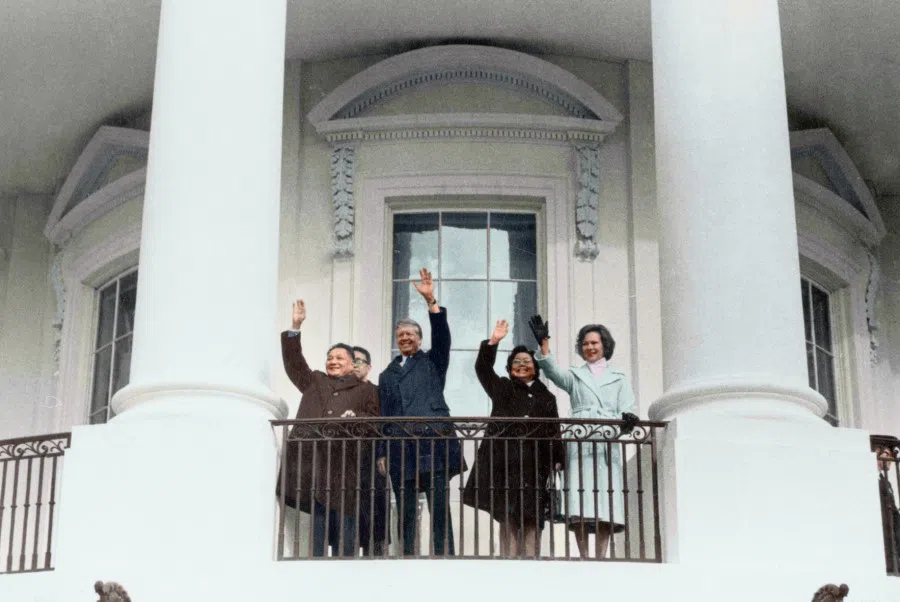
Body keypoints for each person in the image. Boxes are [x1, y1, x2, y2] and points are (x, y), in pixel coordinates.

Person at [528, 316, 639, 559]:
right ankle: (584, 556)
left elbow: (629, 409)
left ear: (604, 345)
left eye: (595, 343)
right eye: (586, 343)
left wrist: (627, 421)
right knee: (579, 502)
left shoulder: (619, 378)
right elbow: (554, 373)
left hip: (606, 445)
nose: (590, 347)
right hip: (580, 444)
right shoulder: (576, 376)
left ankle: (600, 556)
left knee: (604, 503)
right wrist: (544, 343)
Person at [278, 299, 379, 557]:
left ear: (351, 364)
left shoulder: (366, 389)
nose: (332, 361)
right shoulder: (315, 380)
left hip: (346, 464)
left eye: (339, 357)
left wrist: (355, 417)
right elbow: (294, 362)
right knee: (319, 519)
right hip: (314, 461)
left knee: (346, 521)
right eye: (329, 357)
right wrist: (295, 327)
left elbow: (374, 419)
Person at [376, 267, 463, 556]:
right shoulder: (387, 375)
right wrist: (381, 452)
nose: (405, 338)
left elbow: (443, 339)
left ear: (419, 339)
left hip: (433, 444)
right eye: (400, 334)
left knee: (439, 509)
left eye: (410, 334)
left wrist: (431, 303)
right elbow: (383, 417)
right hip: (401, 449)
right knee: (406, 512)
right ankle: (407, 559)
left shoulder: (432, 362)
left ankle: (444, 558)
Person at [463, 319, 565, 558]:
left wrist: (558, 460)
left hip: (535, 467)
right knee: (507, 517)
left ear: (536, 368)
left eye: (526, 361)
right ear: (509, 368)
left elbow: (555, 430)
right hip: (505, 465)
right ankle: (508, 567)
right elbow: (483, 369)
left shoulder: (547, 396)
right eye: (516, 362)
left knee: (533, 519)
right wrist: (494, 342)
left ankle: (531, 567)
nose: (521, 364)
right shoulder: (502, 388)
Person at [352, 345, 390, 556]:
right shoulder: (341, 391)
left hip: (373, 456)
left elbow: (384, 423)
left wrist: (382, 452)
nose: (355, 365)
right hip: (348, 459)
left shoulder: (377, 392)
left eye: (359, 361)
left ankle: (375, 553)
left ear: (369, 366)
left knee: (375, 508)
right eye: (352, 360)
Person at [877, 446, 900, 572]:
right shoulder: (877, 479)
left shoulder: (886, 481)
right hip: (885, 519)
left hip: (893, 517)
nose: (889, 460)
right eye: (886, 456)